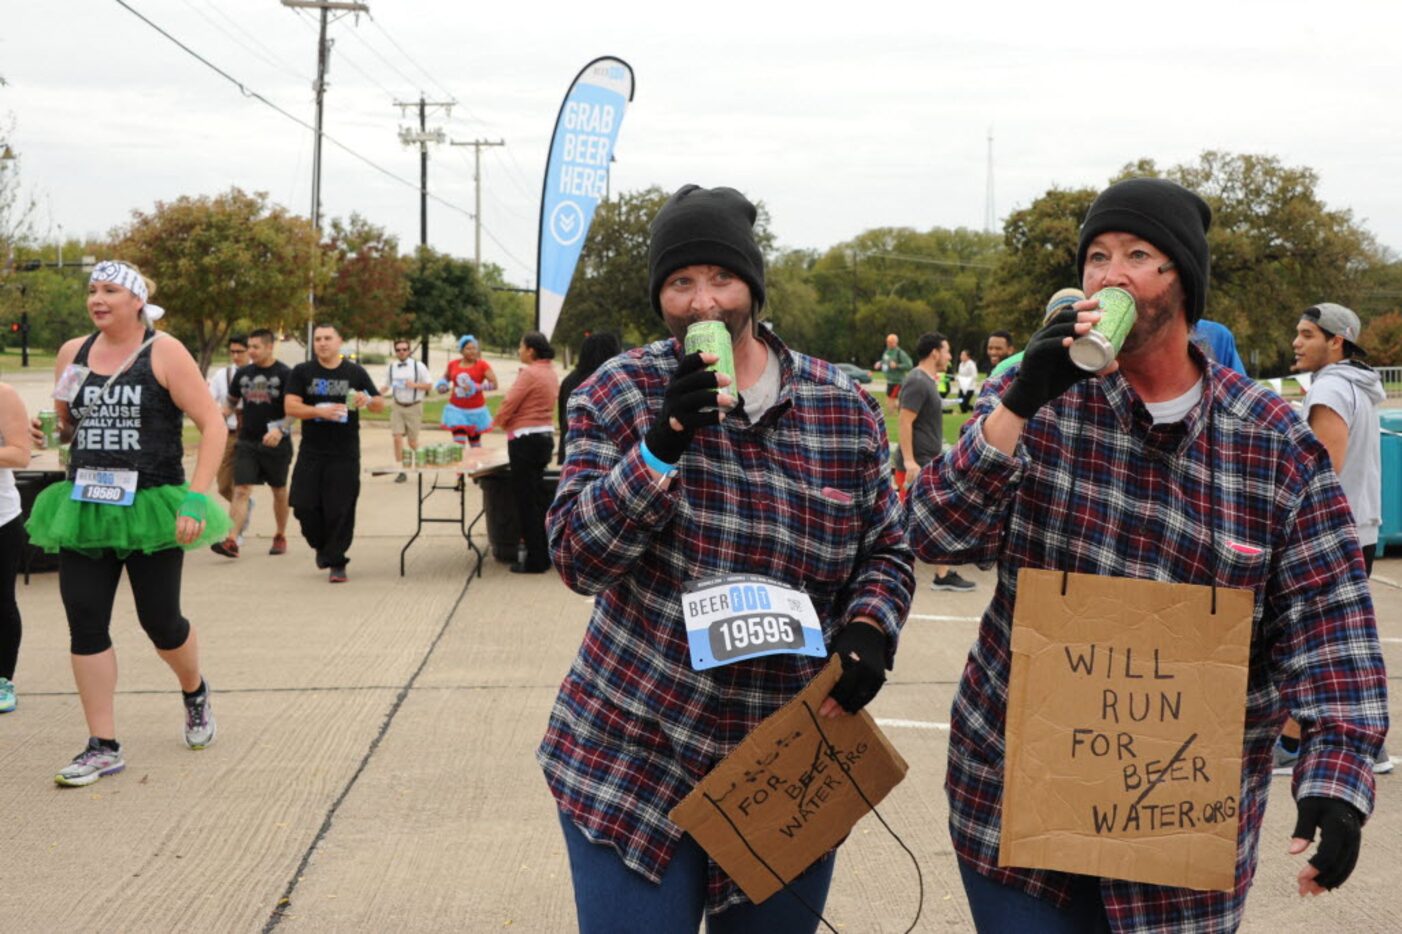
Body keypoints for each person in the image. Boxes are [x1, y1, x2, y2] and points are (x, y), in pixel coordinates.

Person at [908, 178, 1388, 929]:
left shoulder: (1270, 442)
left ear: (1183, 283)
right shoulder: (1040, 402)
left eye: (1138, 255)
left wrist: (1336, 775)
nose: (1109, 275)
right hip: (1014, 804)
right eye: (1096, 257)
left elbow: (1331, 620)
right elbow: (935, 533)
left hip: (1177, 835)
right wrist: (1019, 405)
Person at [540, 184, 913, 930]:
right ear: (660, 297)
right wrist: (663, 441)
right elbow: (579, 556)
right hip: (635, 747)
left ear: (753, 287)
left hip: (782, 760)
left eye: (720, 279)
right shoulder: (617, 392)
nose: (702, 303)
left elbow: (887, 547)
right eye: (681, 283)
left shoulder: (841, 405)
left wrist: (871, 627)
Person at [25, 261, 231, 787]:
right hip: (86, 503)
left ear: (136, 300)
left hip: (151, 506)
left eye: (110, 290)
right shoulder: (73, 352)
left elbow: (212, 425)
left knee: (161, 622)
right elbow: (69, 425)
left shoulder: (164, 351)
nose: (98, 298)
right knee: (85, 619)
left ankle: (194, 690)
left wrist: (196, 499)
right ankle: (103, 745)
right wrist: (46, 432)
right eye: (93, 290)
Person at [1274, 302, 1392, 774]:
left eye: (1307, 334)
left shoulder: (1331, 388)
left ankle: (1290, 742)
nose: (1297, 342)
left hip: (1330, 534)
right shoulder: (1360, 385)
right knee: (1340, 640)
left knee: (1304, 641)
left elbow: (1322, 469)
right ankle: (1369, 744)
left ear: (1335, 340)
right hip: (1360, 528)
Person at [284, 323, 383, 583]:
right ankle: (322, 547)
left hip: (345, 453)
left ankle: (337, 561)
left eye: (328, 338)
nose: (322, 343)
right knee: (302, 504)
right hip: (312, 452)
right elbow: (291, 406)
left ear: (339, 341)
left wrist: (367, 399)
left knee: (339, 509)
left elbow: (378, 404)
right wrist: (319, 412)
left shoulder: (355, 372)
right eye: (318, 339)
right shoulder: (302, 372)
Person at [895, 333, 975, 593]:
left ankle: (940, 573)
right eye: (947, 351)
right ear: (934, 353)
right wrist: (909, 461)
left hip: (926, 461)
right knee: (920, 518)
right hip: (915, 464)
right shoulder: (917, 380)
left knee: (928, 518)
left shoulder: (928, 381)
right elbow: (904, 421)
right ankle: (931, 574)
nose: (950, 357)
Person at [209, 328, 294, 558]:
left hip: (277, 444)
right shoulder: (243, 374)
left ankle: (280, 535)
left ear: (269, 346)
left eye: (256, 347)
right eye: (250, 347)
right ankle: (231, 540)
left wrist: (281, 429)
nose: (252, 352)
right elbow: (230, 403)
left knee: (279, 490)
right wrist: (216, 416)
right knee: (241, 489)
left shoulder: (286, 374)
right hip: (247, 441)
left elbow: (293, 410)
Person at [494, 331, 560, 574]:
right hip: (544, 439)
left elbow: (510, 402)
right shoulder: (550, 372)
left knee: (526, 503)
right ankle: (544, 553)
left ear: (531, 350)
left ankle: (536, 560)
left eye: (521, 346)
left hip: (525, 439)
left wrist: (500, 422)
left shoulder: (529, 373)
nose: (519, 350)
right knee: (538, 501)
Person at [0, 381, 31, 714]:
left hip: (1, 518)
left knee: (1, 602)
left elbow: (20, 454)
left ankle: (3, 679)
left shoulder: (3, 395)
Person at [207, 334, 253, 543]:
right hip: (230, 433)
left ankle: (236, 531)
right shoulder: (222, 375)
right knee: (224, 485)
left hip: (252, 435)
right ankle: (244, 505)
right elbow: (209, 400)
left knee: (242, 487)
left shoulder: (257, 373)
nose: (235, 356)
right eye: (232, 351)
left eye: (240, 352)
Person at [557, 332, 621, 465]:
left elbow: (562, 417)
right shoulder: (615, 380)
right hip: (607, 455)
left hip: (573, 452)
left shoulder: (570, 380)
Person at [381, 338, 433, 482]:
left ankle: (425, 459)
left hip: (414, 406)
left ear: (409, 351)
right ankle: (401, 470)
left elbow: (429, 385)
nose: (401, 352)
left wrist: (415, 385)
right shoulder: (392, 367)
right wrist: (375, 395)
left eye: (404, 349)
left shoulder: (418, 366)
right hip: (397, 406)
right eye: (398, 350)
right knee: (397, 438)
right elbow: (385, 386)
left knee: (412, 443)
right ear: (395, 351)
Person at [439, 334, 497, 448]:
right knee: (458, 444)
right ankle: (461, 465)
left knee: (475, 445)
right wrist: (442, 385)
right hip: (456, 410)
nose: (472, 351)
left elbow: (494, 384)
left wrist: (477, 387)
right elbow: (445, 378)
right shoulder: (453, 364)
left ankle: (475, 465)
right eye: (468, 348)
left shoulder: (482, 365)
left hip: (476, 412)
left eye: (474, 348)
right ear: (461, 350)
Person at [874, 333, 912, 414]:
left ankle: (895, 414)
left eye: (891, 342)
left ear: (896, 342)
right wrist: (879, 363)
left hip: (898, 381)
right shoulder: (887, 351)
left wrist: (897, 366)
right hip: (889, 380)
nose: (889, 344)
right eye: (888, 342)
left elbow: (909, 365)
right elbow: (885, 361)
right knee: (889, 401)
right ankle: (900, 410)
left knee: (891, 400)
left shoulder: (900, 353)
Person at [956, 348, 978, 413]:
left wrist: (966, 381)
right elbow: (960, 374)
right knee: (960, 402)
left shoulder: (971, 364)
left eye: (963, 355)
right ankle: (969, 410)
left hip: (969, 388)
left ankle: (974, 409)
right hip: (961, 387)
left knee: (964, 404)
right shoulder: (960, 364)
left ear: (968, 356)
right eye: (961, 355)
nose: (961, 356)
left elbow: (974, 375)